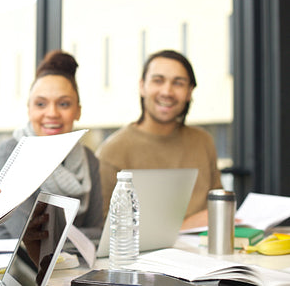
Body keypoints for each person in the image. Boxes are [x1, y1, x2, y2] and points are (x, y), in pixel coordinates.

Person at [96, 49, 223, 230]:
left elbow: (218, 209)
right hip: (144, 257)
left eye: (178, 83)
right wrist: (184, 226)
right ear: (142, 86)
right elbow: (107, 231)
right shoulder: (113, 151)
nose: (167, 91)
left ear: (189, 92)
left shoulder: (203, 141)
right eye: (158, 80)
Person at [0, 50, 103, 239]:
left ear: (78, 111)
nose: (52, 113)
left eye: (64, 104)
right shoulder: (10, 153)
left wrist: (58, 235)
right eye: (40, 104)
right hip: (15, 265)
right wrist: (79, 237)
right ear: (29, 110)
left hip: (74, 266)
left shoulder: (88, 159)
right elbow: (27, 235)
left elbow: (98, 232)